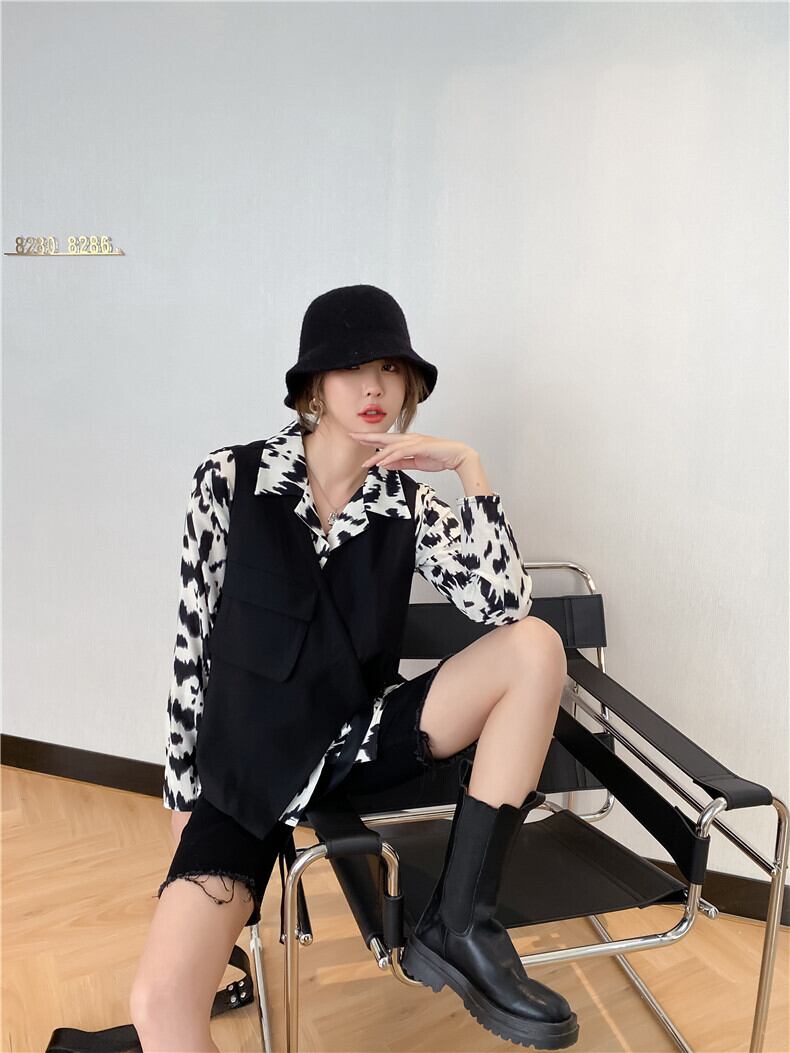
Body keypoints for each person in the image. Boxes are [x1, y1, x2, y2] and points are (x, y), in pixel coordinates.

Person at [129, 284, 579, 1051]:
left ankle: (461, 923)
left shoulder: (407, 503)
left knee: (536, 645)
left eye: (391, 368)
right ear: (315, 383)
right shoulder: (230, 479)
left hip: (357, 742)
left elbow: (505, 602)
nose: (374, 386)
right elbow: (191, 647)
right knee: (159, 1001)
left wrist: (468, 468)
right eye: (351, 367)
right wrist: (182, 795)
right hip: (246, 773)